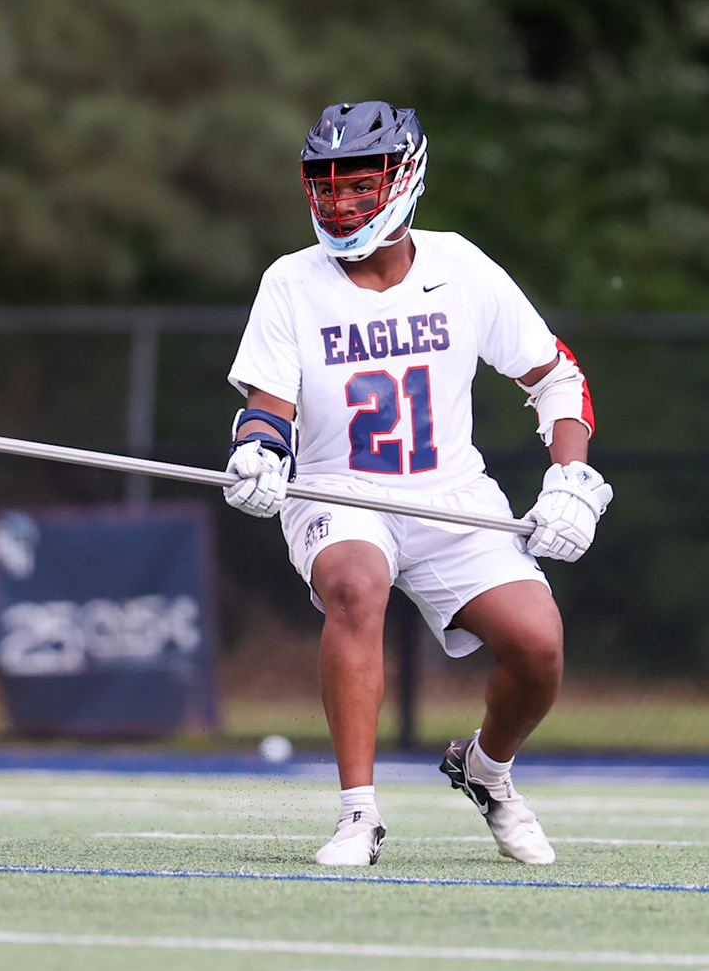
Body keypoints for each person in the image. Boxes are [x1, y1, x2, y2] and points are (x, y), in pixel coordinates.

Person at [224, 100, 611, 866]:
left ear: (405, 180)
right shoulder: (291, 282)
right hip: (339, 490)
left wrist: (571, 475)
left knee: (538, 646)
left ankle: (487, 771)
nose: (341, 202)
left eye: (359, 184)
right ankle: (358, 814)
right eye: (327, 186)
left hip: (449, 494)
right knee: (356, 585)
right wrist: (259, 455)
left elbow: (557, 377)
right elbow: (269, 406)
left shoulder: (459, 266)